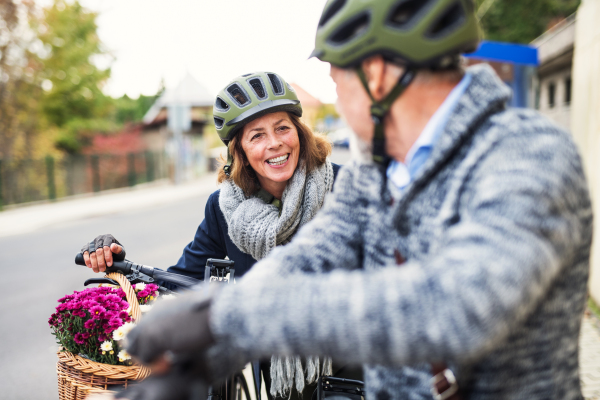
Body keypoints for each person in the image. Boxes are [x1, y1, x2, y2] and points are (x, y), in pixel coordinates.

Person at [121, 0, 593, 399]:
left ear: (377, 76)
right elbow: (313, 256)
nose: (339, 103)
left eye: (337, 82)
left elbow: (456, 307)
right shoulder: (378, 169)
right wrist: (205, 354)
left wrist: (228, 315)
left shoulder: (527, 155)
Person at [80, 71, 343, 399]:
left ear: (299, 133)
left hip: (344, 370)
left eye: (282, 128)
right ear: (240, 151)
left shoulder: (342, 190)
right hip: (263, 381)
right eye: (257, 135)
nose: (274, 143)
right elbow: (180, 281)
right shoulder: (223, 209)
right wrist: (117, 262)